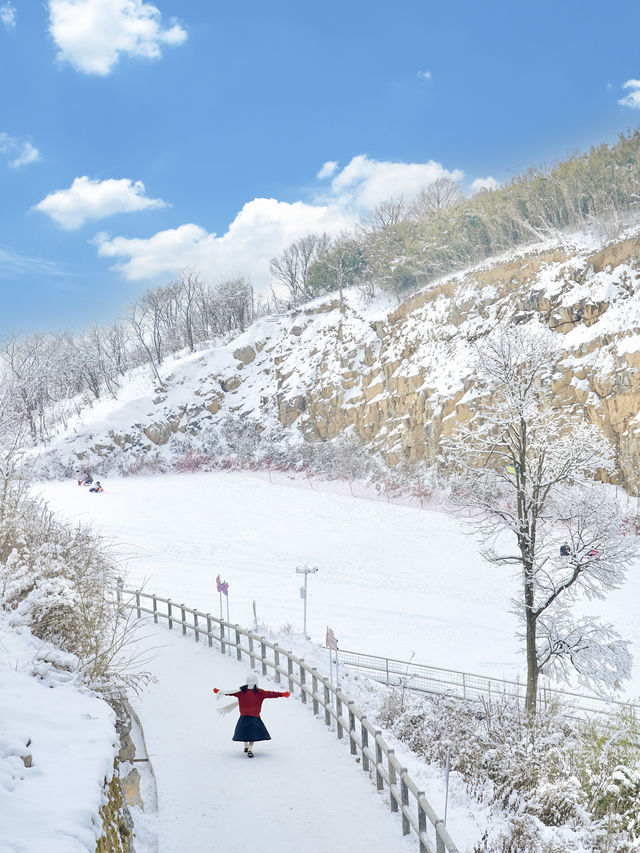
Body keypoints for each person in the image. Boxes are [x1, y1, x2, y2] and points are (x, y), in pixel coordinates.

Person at [213, 673, 289, 758]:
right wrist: (282, 694)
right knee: (252, 734)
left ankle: (245, 746)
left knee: (244, 732)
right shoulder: (260, 692)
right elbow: (271, 694)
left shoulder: (241, 692)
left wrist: (219, 691)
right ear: (256, 682)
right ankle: (249, 749)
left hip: (243, 717)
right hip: (254, 717)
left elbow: (229, 692)